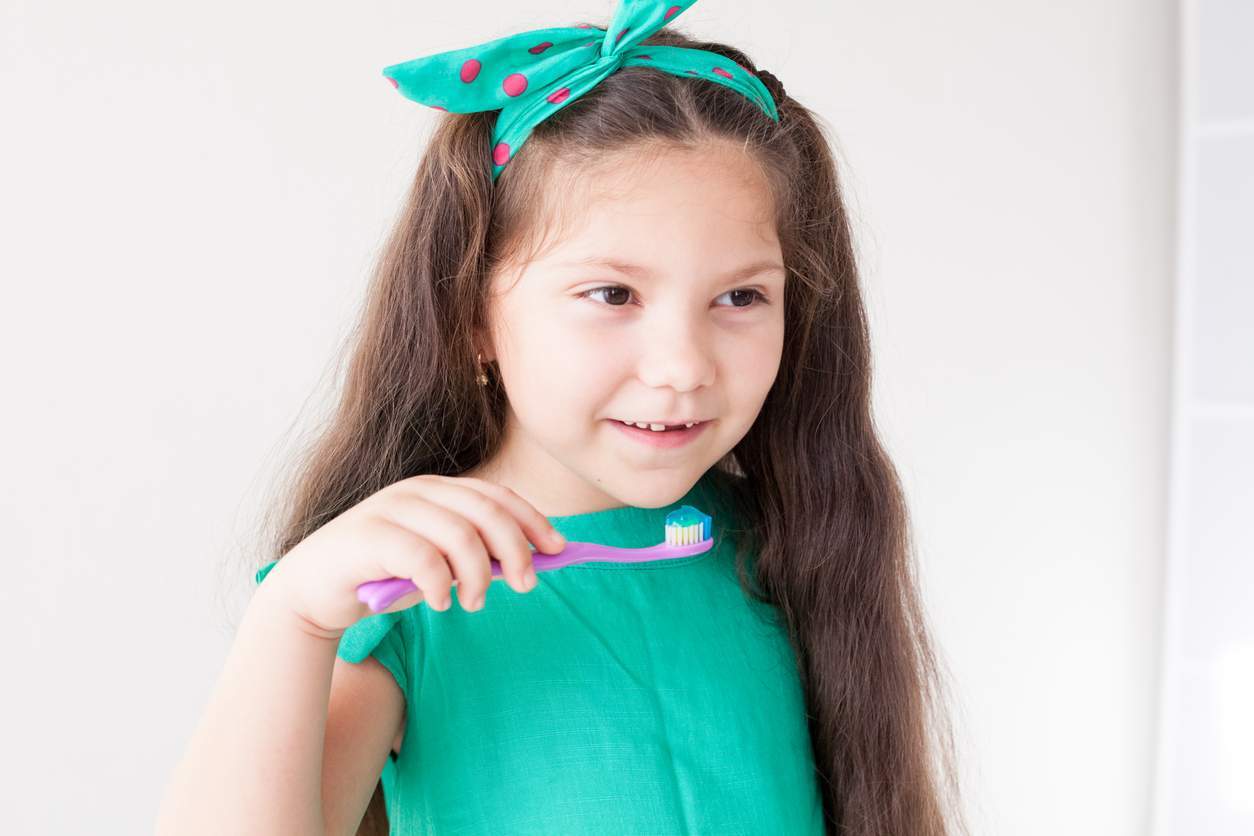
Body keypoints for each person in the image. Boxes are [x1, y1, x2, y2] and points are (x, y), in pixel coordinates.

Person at [157, 1, 967, 834]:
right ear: (470, 312)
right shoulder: (406, 598)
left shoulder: (794, 549)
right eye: (612, 294)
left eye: (740, 296)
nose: (683, 366)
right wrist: (291, 618)